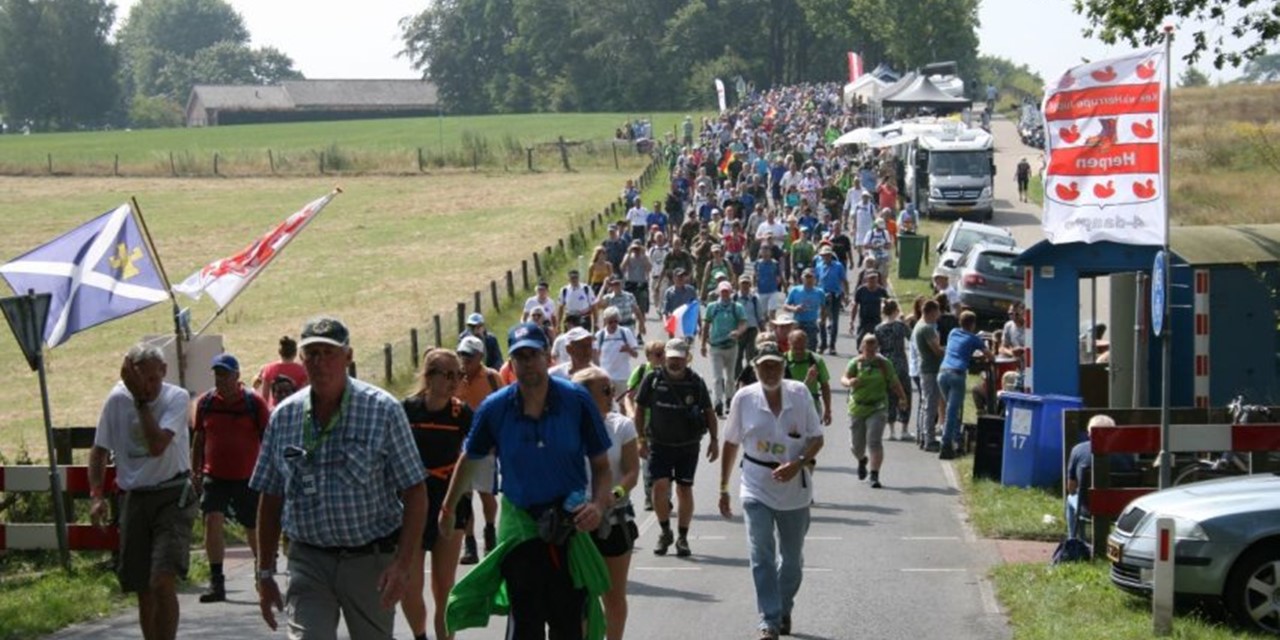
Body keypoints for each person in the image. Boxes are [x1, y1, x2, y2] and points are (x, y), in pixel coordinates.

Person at [250, 316, 428, 638]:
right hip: (308, 560)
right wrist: (264, 572)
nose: (320, 362)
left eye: (329, 353)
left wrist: (402, 565)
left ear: (348, 356)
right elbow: (270, 495)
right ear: (301, 359)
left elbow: (415, 490)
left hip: (369, 560)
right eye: (312, 353)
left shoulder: (383, 410)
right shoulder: (284, 417)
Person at [438, 322, 613, 639]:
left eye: (533, 354)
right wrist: (448, 509)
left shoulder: (576, 400)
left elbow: (601, 466)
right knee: (525, 625)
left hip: (568, 528)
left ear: (547, 356)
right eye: (520, 356)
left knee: (569, 626)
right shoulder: (495, 408)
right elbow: (470, 458)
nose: (528, 362)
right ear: (511, 362)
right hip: (520, 529)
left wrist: (598, 506)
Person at [88, 344, 196, 640]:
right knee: (143, 588)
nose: (148, 387)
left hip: (172, 495)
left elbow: (157, 445)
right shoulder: (116, 399)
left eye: (153, 379)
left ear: (164, 371)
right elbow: (99, 450)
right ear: (129, 376)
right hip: (134, 498)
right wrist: (97, 496)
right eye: (141, 380)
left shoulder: (176, 398)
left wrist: (139, 401)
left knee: (161, 581)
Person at [718, 341, 824, 640]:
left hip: (794, 489)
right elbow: (731, 442)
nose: (770, 371)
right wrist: (723, 488)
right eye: (764, 366)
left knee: (791, 561)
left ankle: (783, 606)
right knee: (761, 553)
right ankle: (769, 620)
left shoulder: (800, 394)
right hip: (755, 486)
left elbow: (817, 438)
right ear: (755, 369)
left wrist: (797, 463)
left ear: (783, 366)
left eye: (775, 365)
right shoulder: (744, 398)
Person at [401, 349, 473, 640]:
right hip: (412, 503)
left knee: (444, 586)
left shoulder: (462, 413)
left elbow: (478, 453)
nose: (455, 381)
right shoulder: (406, 410)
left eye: (459, 375)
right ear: (429, 377)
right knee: (409, 585)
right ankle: (420, 635)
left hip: (449, 502)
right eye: (448, 375)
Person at [191, 353, 270, 603]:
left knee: (253, 526)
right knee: (212, 521)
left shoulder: (253, 404)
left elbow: (268, 439)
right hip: (214, 475)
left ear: (237, 376)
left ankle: (262, 573)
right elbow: (199, 438)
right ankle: (217, 582)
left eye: (225, 375)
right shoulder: (206, 403)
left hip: (248, 476)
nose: (221, 380)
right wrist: (195, 471)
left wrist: (270, 472)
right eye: (217, 375)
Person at [572, 367, 641, 640]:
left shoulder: (621, 426)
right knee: (578, 599)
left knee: (613, 596)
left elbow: (632, 471)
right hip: (575, 523)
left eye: (612, 389)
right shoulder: (566, 428)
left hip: (613, 520)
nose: (612, 394)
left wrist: (614, 494)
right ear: (583, 397)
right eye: (605, 390)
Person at [634, 338, 719, 557]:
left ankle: (682, 537)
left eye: (679, 358)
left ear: (686, 359)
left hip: (688, 446)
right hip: (659, 445)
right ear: (665, 357)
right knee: (659, 487)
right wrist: (640, 439)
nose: (675, 362)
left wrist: (714, 440)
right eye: (671, 358)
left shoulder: (696, 382)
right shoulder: (652, 380)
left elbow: (709, 412)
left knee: (684, 489)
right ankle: (665, 532)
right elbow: (639, 408)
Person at [457, 335, 505, 564]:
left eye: (469, 356)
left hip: (486, 446)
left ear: (480, 356)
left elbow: (504, 408)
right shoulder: (456, 378)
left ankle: (489, 533)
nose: (464, 360)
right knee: (464, 495)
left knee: (486, 493)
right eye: (462, 355)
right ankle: (470, 545)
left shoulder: (492, 377)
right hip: (461, 445)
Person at [841, 334, 908, 489]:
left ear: (877, 348)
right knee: (856, 446)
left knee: (874, 441)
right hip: (857, 407)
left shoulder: (884, 364)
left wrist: (903, 398)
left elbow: (894, 382)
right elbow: (843, 378)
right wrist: (849, 382)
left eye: (873, 348)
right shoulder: (855, 363)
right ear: (862, 348)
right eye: (867, 348)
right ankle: (862, 459)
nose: (870, 352)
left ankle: (874, 475)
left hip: (878, 407)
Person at [1066, 414, 1135, 540]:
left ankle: (1075, 541)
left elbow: (1071, 488)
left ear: (1089, 433)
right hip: (1121, 509)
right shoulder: (1126, 453)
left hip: (1089, 508)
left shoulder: (1078, 450)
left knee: (1070, 498)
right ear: (1113, 433)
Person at [937, 311, 991, 460]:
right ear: (973, 324)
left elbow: (957, 349)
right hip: (957, 374)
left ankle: (958, 440)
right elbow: (990, 356)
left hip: (942, 373)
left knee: (953, 410)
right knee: (952, 411)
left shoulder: (953, 332)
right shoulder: (974, 339)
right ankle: (946, 444)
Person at [701, 281, 748, 417]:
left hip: (731, 346)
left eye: (727, 291)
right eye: (722, 291)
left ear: (730, 292)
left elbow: (743, 323)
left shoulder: (736, 307)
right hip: (716, 346)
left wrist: (738, 332)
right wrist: (703, 344)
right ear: (718, 292)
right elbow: (706, 325)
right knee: (717, 377)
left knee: (730, 377)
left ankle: (729, 399)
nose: (725, 294)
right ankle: (718, 402)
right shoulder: (712, 307)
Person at [874, 300, 913, 441]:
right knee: (905, 393)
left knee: (889, 395)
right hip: (900, 361)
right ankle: (904, 429)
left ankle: (891, 430)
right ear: (896, 310)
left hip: (886, 362)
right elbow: (911, 337)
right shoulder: (900, 326)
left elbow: (876, 347)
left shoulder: (878, 328)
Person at [912, 300, 945, 452]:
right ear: (932, 311)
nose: (939, 315)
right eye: (937, 311)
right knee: (931, 406)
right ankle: (929, 439)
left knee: (925, 404)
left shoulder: (920, 325)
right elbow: (936, 350)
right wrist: (948, 351)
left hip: (925, 369)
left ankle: (922, 436)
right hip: (930, 369)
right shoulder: (926, 328)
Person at [784, 329, 833, 427]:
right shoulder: (782, 361)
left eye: (802, 348)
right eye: (795, 347)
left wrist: (828, 410)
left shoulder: (816, 360)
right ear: (789, 344)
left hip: (812, 409)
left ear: (806, 344)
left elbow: (825, 386)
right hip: (788, 409)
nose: (798, 351)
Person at [252, 336, 309, 412]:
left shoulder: (269, 368)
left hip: (275, 410)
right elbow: (304, 395)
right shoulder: (302, 370)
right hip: (295, 410)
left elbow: (265, 397)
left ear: (279, 352)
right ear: (295, 353)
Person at [595, 306, 641, 398]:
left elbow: (636, 355)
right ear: (605, 321)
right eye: (610, 322)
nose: (613, 324)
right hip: (606, 377)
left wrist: (628, 349)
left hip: (622, 377)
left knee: (623, 403)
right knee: (606, 403)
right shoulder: (600, 335)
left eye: (615, 321)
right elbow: (596, 356)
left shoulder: (625, 332)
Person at [733, 275, 768, 380]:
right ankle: (738, 379)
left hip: (751, 330)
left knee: (751, 356)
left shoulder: (754, 299)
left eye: (747, 283)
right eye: (743, 283)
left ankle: (750, 378)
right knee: (737, 357)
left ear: (750, 285)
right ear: (739, 284)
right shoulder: (734, 298)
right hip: (738, 331)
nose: (745, 286)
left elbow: (760, 317)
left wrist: (764, 332)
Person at [814, 245, 847, 355]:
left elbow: (843, 280)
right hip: (822, 294)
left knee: (834, 321)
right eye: (824, 255)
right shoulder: (819, 266)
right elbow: (816, 281)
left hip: (835, 295)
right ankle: (823, 343)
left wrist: (845, 294)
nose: (826, 257)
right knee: (821, 320)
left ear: (831, 255)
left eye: (828, 255)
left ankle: (832, 345)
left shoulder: (838, 266)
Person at [782, 269, 823, 349]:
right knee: (796, 346)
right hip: (798, 323)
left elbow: (823, 306)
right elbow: (785, 306)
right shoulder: (795, 290)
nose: (808, 280)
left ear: (814, 279)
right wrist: (794, 308)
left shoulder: (819, 292)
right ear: (802, 278)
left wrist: (822, 319)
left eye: (810, 277)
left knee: (811, 347)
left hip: (811, 324)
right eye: (806, 277)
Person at [849, 270, 890, 344]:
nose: (873, 280)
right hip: (864, 321)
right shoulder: (861, 291)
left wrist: (888, 320)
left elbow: (888, 306)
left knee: (877, 342)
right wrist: (852, 321)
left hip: (877, 321)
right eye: (871, 278)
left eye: (874, 278)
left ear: (877, 279)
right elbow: (855, 306)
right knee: (860, 341)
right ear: (866, 279)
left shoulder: (882, 291)